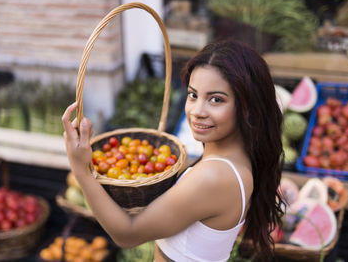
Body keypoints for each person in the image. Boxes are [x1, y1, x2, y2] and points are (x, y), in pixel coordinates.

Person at [62, 39, 284, 262]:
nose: (197, 111)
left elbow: (127, 234)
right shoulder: (235, 158)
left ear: (248, 106)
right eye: (193, 95)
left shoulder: (214, 176)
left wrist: (81, 169)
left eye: (216, 99)